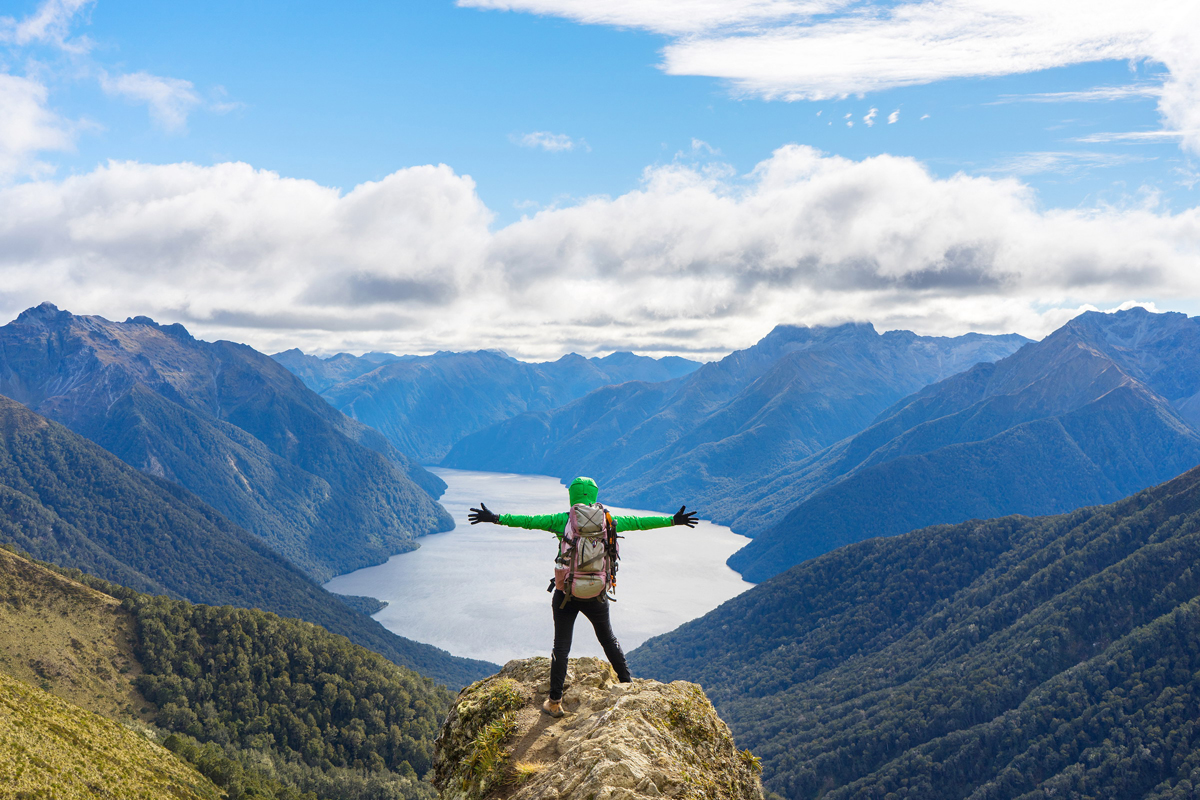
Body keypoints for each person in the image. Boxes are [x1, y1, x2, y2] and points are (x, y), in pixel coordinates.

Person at [469, 476, 698, 717]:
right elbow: (640, 522)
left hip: (566, 593)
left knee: (561, 646)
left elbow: (527, 521)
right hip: (597, 593)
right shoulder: (609, 521)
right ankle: (627, 684)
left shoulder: (564, 521)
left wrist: (495, 518)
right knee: (608, 638)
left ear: (573, 496)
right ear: (594, 496)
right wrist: (673, 520)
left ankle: (555, 702)